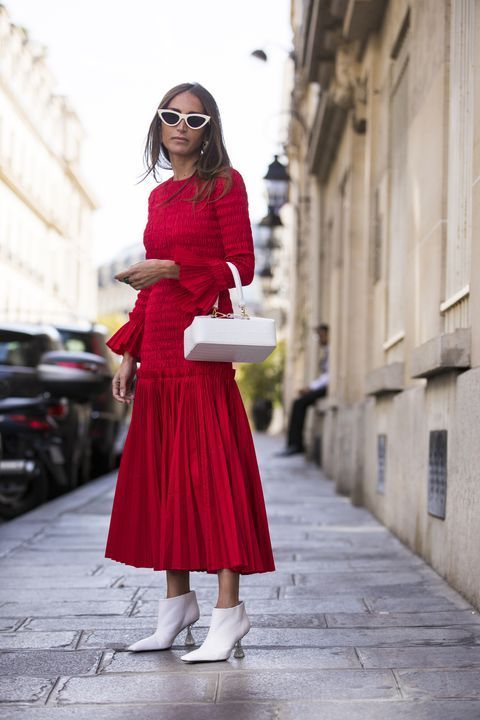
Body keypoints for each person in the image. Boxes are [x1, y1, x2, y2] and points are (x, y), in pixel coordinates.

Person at [104, 82, 275, 663]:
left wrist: (173, 267)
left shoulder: (225, 184)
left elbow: (242, 267)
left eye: (194, 118)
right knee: (164, 482)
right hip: (158, 355)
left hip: (200, 356)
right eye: (170, 115)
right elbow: (149, 292)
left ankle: (229, 613)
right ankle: (176, 608)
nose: (180, 125)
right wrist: (129, 355)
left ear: (210, 129)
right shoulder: (158, 199)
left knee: (210, 477)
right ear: (158, 125)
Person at [276, 323, 329, 457]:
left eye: (321, 336)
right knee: (298, 403)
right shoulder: (326, 350)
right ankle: (293, 444)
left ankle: (296, 445)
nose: (320, 339)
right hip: (321, 386)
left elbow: (329, 376)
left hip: (326, 387)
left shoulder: (332, 351)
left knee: (299, 403)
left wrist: (310, 388)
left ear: (328, 335)